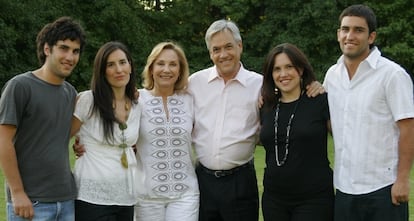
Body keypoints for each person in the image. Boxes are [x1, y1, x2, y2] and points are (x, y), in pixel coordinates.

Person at [323, 4, 414, 221]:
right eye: (345, 29)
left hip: (383, 189)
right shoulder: (332, 76)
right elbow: (330, 122)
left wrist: (402, 180)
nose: (350, 36)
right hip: (344, 189)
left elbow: (408, 129)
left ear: (371, 36)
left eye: (358, 30)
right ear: (338, 34)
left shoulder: (392, 75)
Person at [0, 16, 86, 220]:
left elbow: (62, 132)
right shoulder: (20, 86)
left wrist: (80, 143)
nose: (70, 57)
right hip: (31, 202)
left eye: (75, 51)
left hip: (66, 199)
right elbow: (3, 140)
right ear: (47, 49)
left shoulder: (70, 93)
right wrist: (18, 192)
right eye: (63, 48)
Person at [187, 19, 262, 221]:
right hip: (202, 182)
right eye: (216, 49)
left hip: (240, 183)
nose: (223, 54)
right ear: (210, 53)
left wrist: (313, 85)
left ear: (240, 46)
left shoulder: (259, 85)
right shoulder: (195, 83)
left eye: (228, 46)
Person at [260, 43, 333, 221]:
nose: (283, 74)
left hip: (314, 199)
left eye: (289, 67)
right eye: (277, 69)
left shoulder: (320, 100)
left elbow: (344, 138)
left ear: (300, 69)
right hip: (273, 199)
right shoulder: (266, 106)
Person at [70, 41, 140, 221]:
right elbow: (61, 137)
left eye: (123, 62)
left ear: (130, 66)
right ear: (102, 71)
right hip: (92, 197)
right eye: (110, 65)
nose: (119, 69)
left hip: (126, 195)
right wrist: (76, 146)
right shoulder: (89, 101)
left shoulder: (137, 104)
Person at [134, 41, 199, 221]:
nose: (166, 69)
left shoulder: (190, 100)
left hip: (185, 194)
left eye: (173, 64)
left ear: (180, 70)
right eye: (161, 63)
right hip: (147, 196)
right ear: (151, 68)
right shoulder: (136, 100)